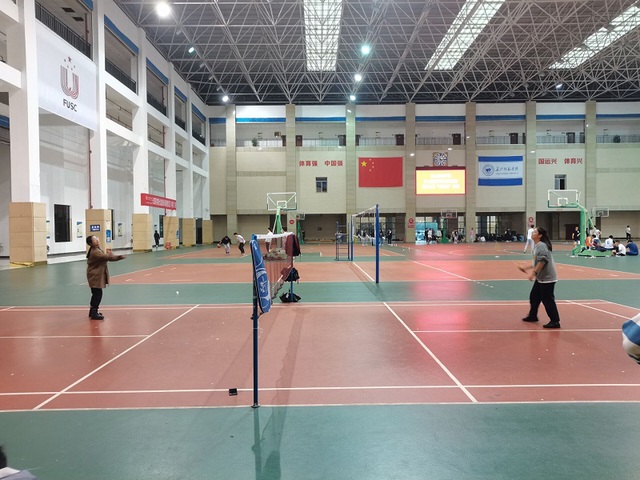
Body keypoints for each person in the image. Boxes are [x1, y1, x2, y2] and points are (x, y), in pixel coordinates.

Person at [517, 226, 561, 329]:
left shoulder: (542, 245)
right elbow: (536, 262)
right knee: (534, 296)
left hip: (547, 278)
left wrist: (533, 273)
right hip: (541, 278)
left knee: (547, 300)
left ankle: (555, 321)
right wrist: (525, 267)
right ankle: (533, 315)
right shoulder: (537, 246)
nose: (532, 233)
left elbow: (543, 261)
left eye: (535, 232)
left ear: (540, 235)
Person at [86, 235, 125, 320]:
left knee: (95, 294)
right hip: (95, 275)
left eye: (97, 239)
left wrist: (111, 255)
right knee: (97, 294)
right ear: (90, 243)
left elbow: (106, 257)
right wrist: (118, 257)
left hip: (95, 275)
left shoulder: (97, 249)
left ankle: (92, 311)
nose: (97, 241)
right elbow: (106, 257)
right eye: (95, 240)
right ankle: (94, 312)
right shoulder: (95, 252)